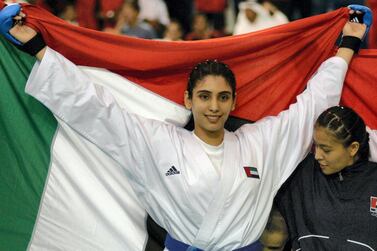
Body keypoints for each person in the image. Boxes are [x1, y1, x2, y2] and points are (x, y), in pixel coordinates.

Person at [0, 3, 370, 250]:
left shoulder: (259, 142)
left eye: (223, 97)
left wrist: (347, 45)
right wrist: (38, 49)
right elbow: (96, 108)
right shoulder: (158, 141)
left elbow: (310, 108)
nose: (214, 107)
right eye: (205, 97)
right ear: (188, 100)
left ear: (234, 102)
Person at [275, 106, 377, 250]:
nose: (317, 155)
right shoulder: (302, 172)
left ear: (353, 148)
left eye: (326, 150)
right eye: (315, 145)